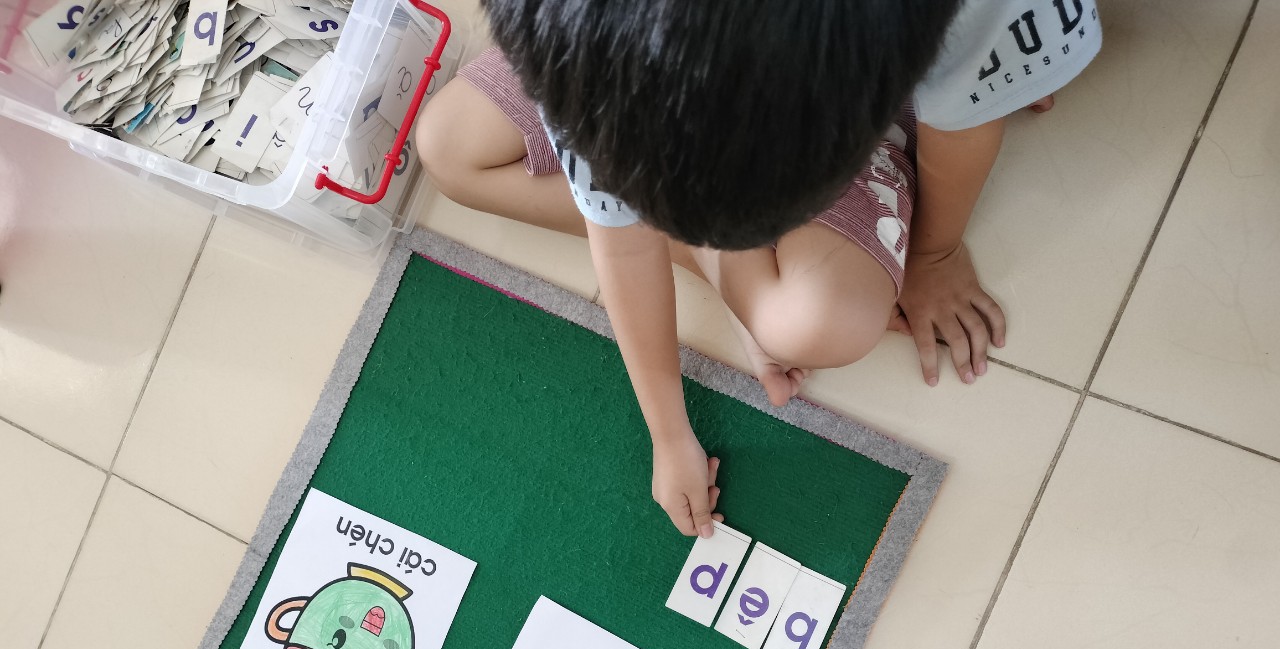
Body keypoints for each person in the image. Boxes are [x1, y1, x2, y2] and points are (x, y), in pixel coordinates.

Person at [416, 0, 1102, 538]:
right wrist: (667, 433)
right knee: (448, 146)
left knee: (818, 323)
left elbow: (966, 119)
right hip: (675, 54)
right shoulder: (599, 72)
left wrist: (934, 253)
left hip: (883, 54)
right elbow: (620, 237)